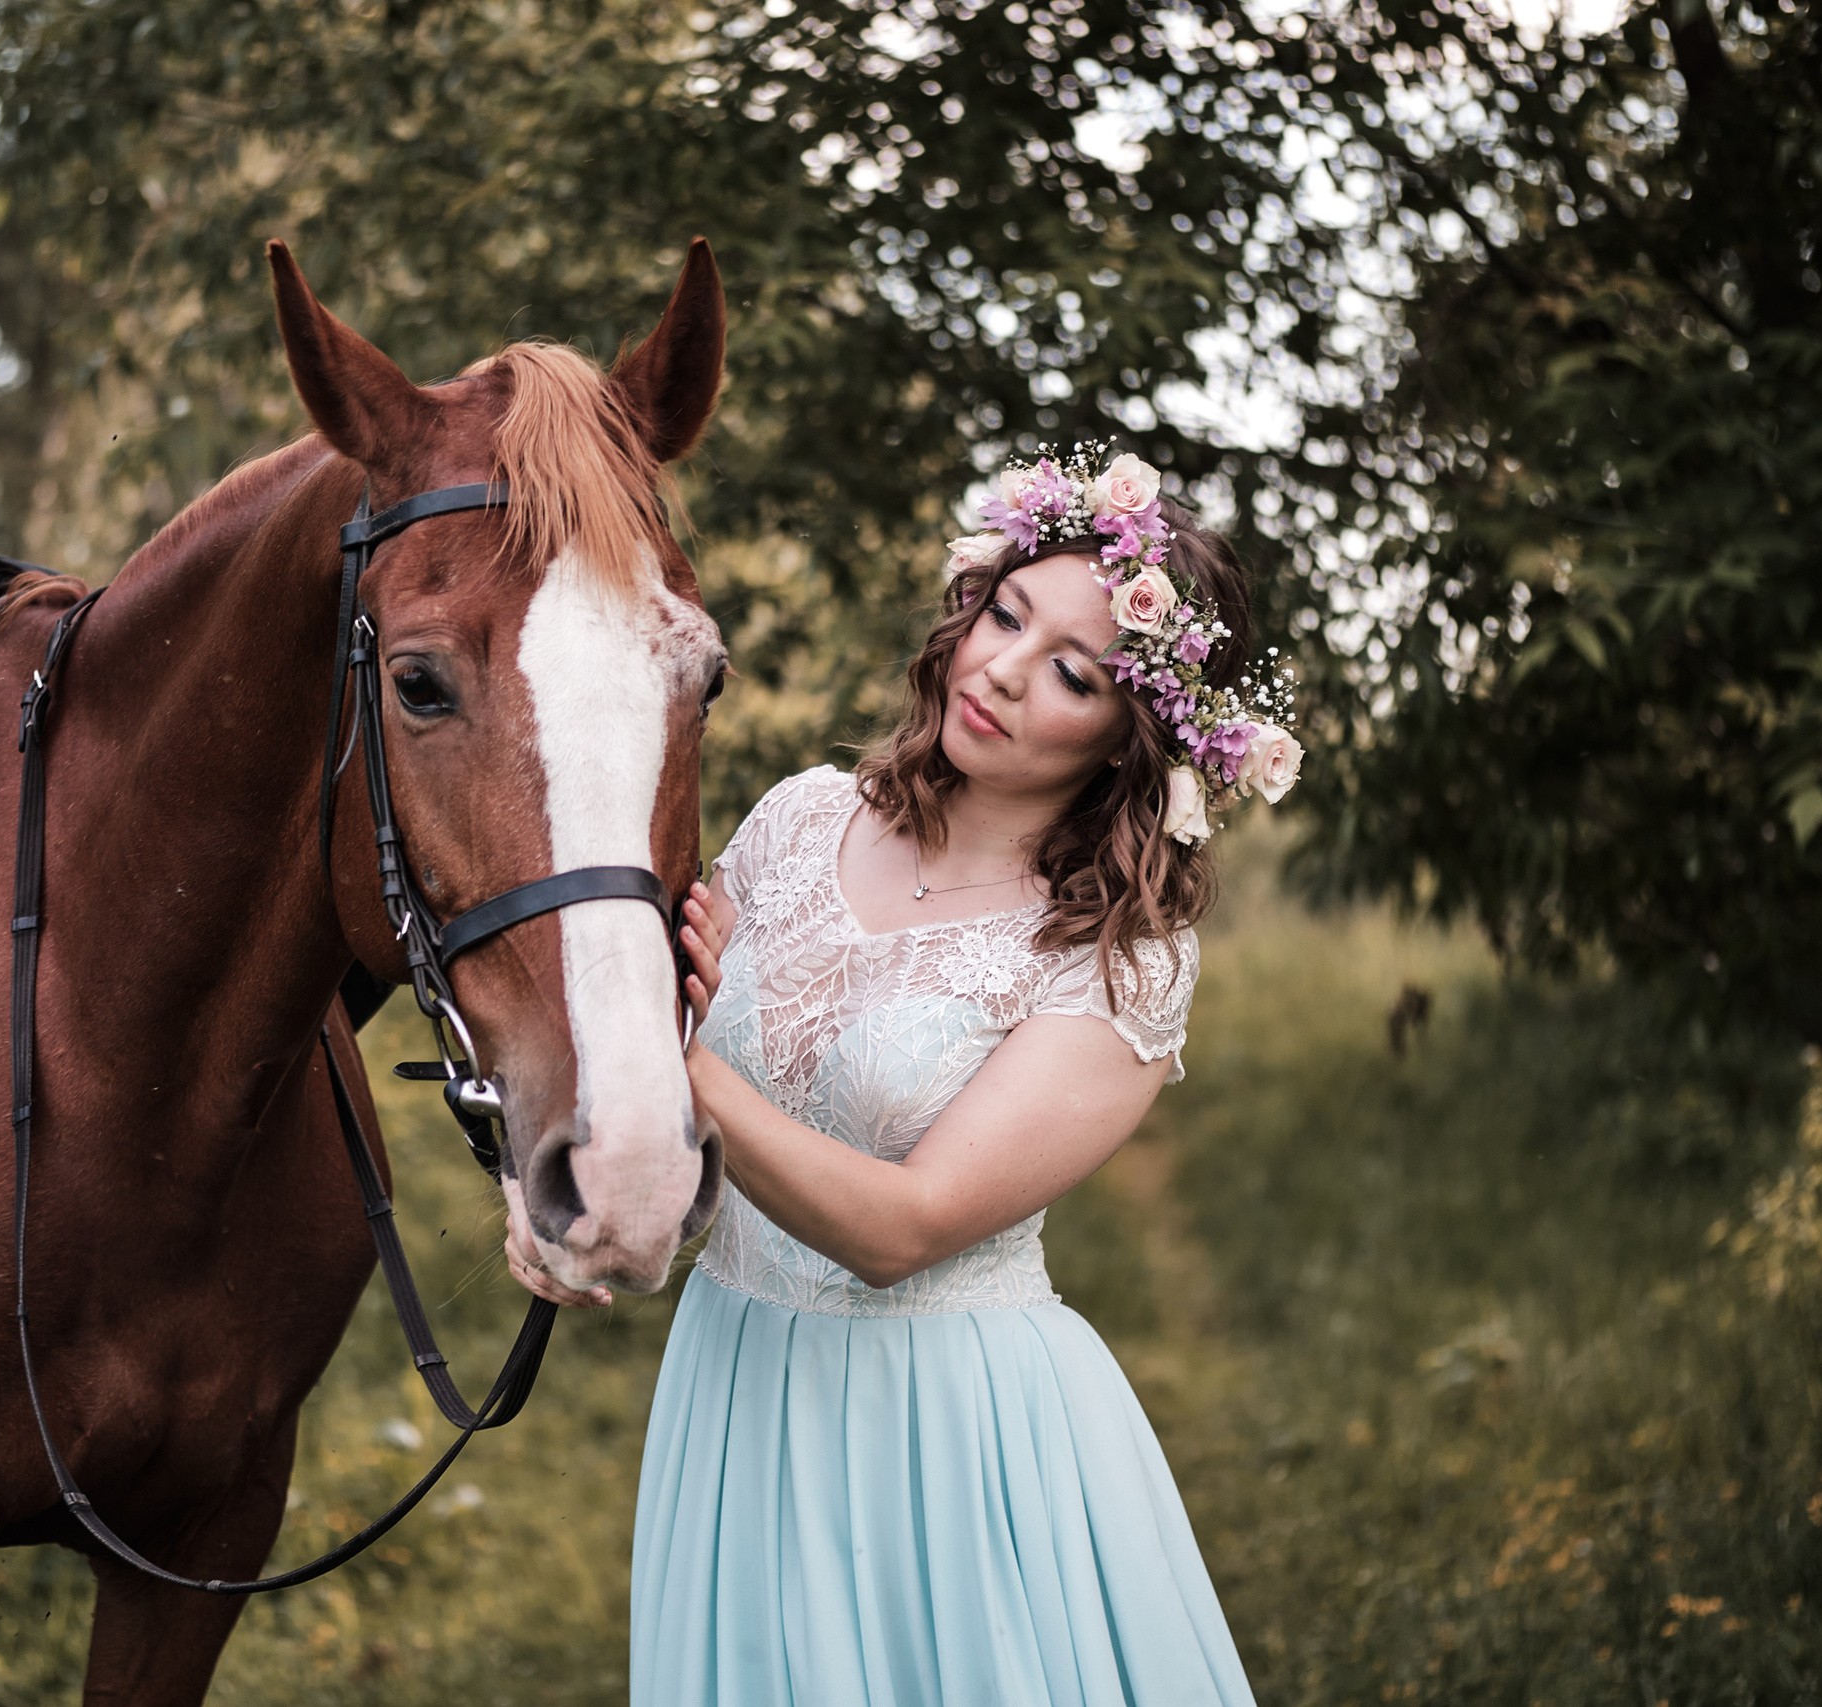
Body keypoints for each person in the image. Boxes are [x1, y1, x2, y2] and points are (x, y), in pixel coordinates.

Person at [507, 441, 1301, 1705]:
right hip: (735, 1385)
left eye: (1071, 672)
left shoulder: (1115, 960)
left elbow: (904, 1228)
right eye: (1006, 614)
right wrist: (573, 1192)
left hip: (946, 1432)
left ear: (1126, 737)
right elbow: (621, 1038)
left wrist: (685, 1071)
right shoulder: (798, 817)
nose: (998, 669)